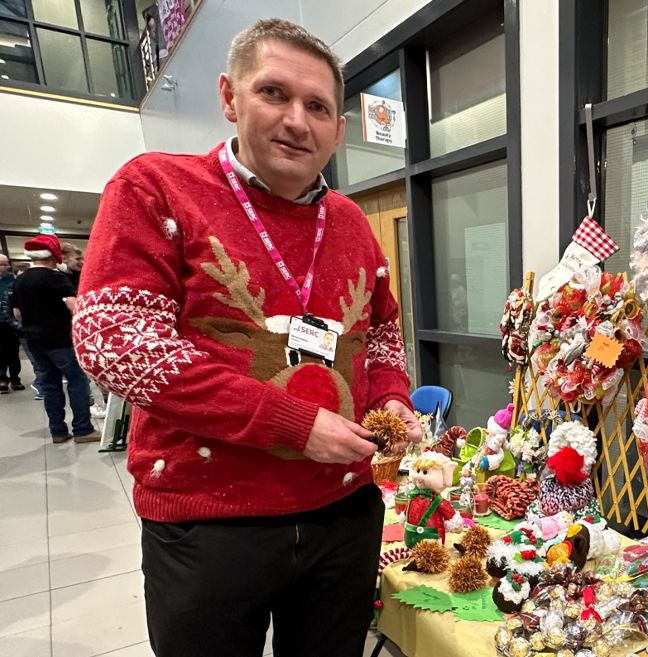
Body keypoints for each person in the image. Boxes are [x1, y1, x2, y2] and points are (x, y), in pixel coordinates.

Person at [73, 19, 423, 657]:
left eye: (318, 106)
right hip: (211, 521)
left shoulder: (348, 222)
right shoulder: (157, 187)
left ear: (339, 129)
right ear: (230, 98)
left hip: (343, 512)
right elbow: (115, 341)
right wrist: (290, 423)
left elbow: (379, 335)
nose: (298, 121)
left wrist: (391, 397)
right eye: (274, 94)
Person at [11, 235, 96, 442]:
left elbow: (17, 314)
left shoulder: (20, 280)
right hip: (60, 340)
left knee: (50, 386)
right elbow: (73, 305)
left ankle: (58, 431)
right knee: (77, 382)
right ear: (53, 255)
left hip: (34, 341)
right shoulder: (55, 278)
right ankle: (83, 429)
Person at [0, 254, 26, 393]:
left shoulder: (12, 281)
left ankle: (15, 378)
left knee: (13, 352)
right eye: (0, 264)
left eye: (5, 264)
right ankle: (2, 378)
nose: (2, 267)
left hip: (10, 321)